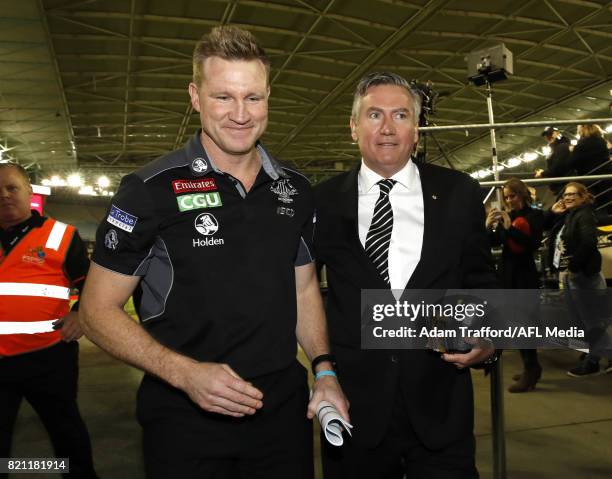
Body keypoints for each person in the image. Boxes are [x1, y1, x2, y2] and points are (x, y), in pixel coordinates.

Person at [79, 26, 348, 479]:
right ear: (195, 97)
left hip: (281, 415)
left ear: (268, 98)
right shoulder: (149, 191)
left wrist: (324, 370)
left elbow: (303, 289)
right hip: (185, 415)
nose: (240, 114)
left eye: (253, 98)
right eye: (224, 97)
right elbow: (95, 311)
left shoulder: (295, 189)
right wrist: (185, 375)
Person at [314, 72, 498, 479]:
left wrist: (489, 340)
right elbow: (304, 291)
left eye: (400, 115)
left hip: (441, 407)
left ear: (415, 130)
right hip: (354, 412)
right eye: (374, 114)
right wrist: (321, 370)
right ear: (353, 127)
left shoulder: (459, 193)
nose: (386, 127)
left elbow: (481, 281)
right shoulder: (323, 202)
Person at [0, 163, 98, 479]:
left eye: (11, 187)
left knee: (66, 432)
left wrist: (80, 313)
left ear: (30, 191)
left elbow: (93, 285)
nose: (3, 195)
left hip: (48, 356)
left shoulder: (62, 235)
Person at [547, 182, 611, 377]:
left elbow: (588, 241)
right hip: (571, 275)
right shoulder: (568, 216)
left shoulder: (584, 214)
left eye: (573, 194)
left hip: (582, 275)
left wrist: (574, 267)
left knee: (590, 320)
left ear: (583, 197)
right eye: (565, 194)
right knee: (582, 320)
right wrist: (553, 212)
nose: (567, 197)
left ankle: (593, 361)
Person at [486, 178, 543, 393]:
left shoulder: (534, 216)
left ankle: (531, 368)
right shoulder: (509, 217)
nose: (510, 200)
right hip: (509, 275)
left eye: (513, 195)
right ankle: (531, 366)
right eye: (507, 197)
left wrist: (510, 229)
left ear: (523, 195)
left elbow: (533, 244)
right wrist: (489, 226)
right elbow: (493, 242)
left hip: (525, 276)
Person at [569, 124, 611, 215]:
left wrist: (572, 152)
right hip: (605, 177)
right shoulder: (602, 141)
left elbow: (573, 163)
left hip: (590, 179)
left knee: (594, 205)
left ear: (583, 130)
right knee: (607, 203)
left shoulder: (581, 145)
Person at [535, 126, 572, 195]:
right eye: (546, 136)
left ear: (556, 133)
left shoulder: (562, 147)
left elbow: (558, 168)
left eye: (550, 134)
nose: (547, 137)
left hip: (564, 185)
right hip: (561, 185)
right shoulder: (557, 148)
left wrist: (542, 173)